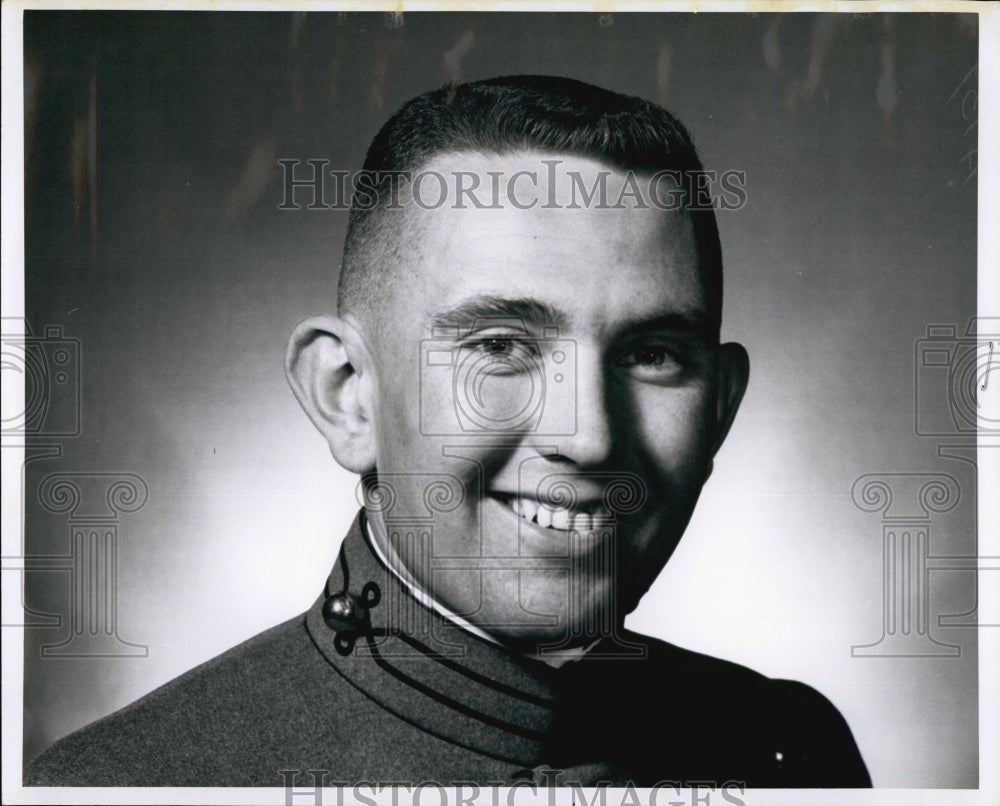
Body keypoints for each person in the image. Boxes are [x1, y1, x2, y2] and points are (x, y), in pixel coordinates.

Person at [24, 75, 871, 789]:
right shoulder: (118, 787)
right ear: (348, 396)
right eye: (500, 346)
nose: (589, 439)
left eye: (651, 354)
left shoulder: (792, 750)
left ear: (720, 408)